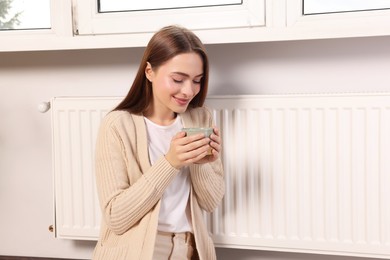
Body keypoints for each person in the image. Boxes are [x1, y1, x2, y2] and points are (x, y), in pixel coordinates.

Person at [92, 25, 225, 260]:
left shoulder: (200, 118)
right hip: (139, 250)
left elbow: (210, 203)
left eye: (197, 80)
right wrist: (170, 162)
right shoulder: (117, 125)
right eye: (178, 79)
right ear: (150, 72)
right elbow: (116, 217)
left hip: (189, 247)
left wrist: (202, 163)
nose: (189, 91)